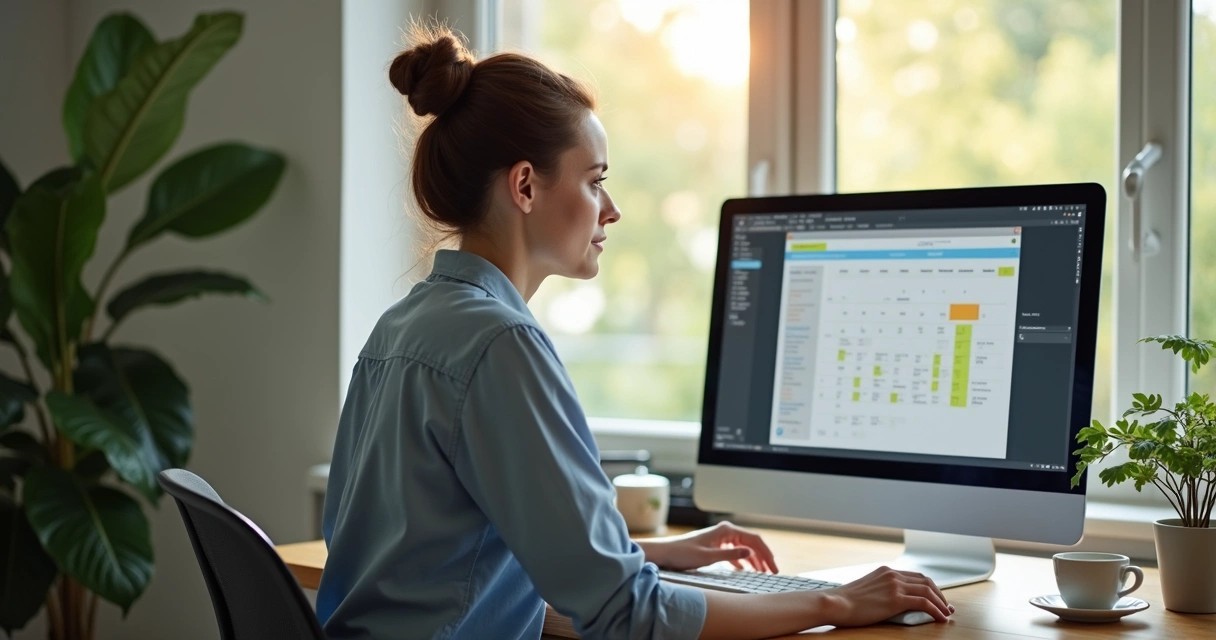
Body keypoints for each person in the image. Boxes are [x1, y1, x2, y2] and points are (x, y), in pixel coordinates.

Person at [316, 25, 953, 640]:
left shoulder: (401, 327)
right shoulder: (499, 344)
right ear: (526, 185)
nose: (612, 210)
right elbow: (628, 616)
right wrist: (835, 600)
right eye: (595, 181)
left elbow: (443, 549)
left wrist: (642, 552)